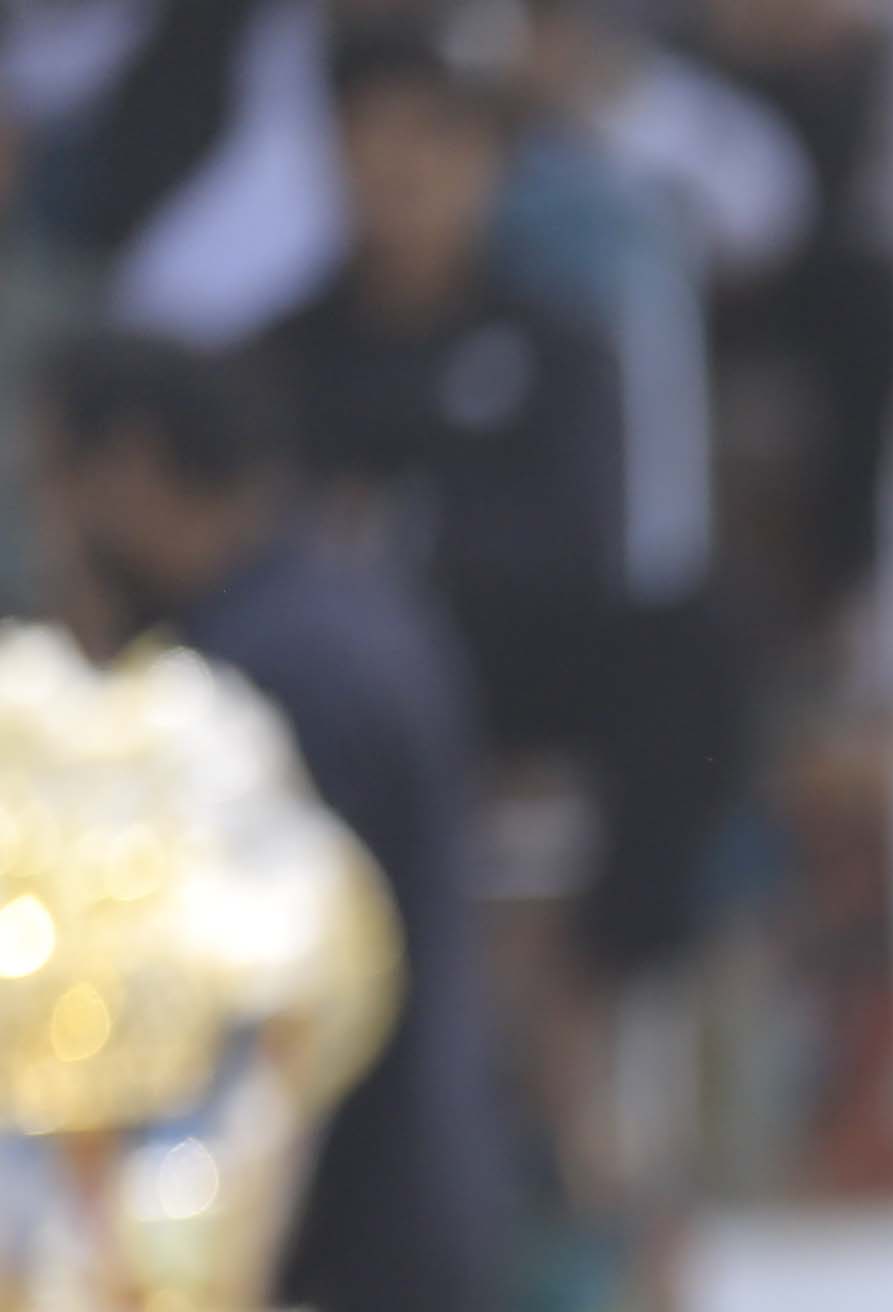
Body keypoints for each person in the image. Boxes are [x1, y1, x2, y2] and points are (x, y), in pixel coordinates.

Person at [27, 322, 505, 1312]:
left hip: (320, 1279)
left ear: (129, 468)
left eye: (52, 487)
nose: (47, 534)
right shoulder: (341, 615)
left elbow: (247, 1022)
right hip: (391, 1247)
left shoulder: (258, 686)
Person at [263, 21, 736, 994]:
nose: (403, 168)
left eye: (435, 135)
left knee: (695, 643)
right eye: (374, 133)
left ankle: (603, 972)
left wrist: (405, 528)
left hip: (509, 661)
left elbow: (581, 542)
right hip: (349, 679)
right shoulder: (284, 353)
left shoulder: (558, 344)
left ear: (491, 161)